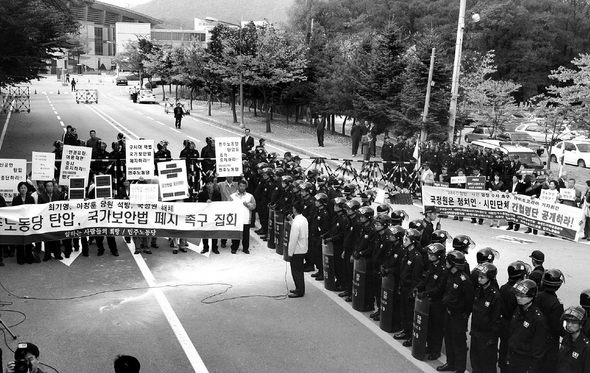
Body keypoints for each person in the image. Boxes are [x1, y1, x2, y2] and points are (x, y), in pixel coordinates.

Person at [437, 250, 474, 373]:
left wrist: (464, 315)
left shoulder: (465, 280)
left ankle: (459, 368)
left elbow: (469, 302)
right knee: (448, 339)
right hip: (448, 313)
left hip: (458, 316)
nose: (446, 262)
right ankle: (450, 363)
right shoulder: (449, 275)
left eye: (448, 261)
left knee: (459, 344)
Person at [506, 279, 547, 373]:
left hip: (525, 361)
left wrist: (531, 369)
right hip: (513, 358)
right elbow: (512, 334)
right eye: (517, 295)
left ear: (531, 297)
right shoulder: (518, 310)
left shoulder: (538, 319)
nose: (518, 298)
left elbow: (539, 348)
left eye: (522, 296)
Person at [558, 306, 590, 373]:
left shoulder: (586, 348)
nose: (569, 325)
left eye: (573, 322)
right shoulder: (565, 339)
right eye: (568, 321)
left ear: (581, 325)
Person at [287, 200, 308, 298]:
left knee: (296, 271)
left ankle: (299, 291)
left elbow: (293, 238)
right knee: (299, 271)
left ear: (294, 209)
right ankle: (299, 288)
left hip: (296, 249)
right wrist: (292, 221)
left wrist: (290, 252)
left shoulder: (296, 222)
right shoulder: (303, 219)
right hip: (303, 248)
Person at [12, 182, 36, 265]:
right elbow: (13, 211)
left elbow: (33, 210)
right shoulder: (15, 199)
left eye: (24, 188)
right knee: (20, 241)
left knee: (29, 241)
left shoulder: (31, 198)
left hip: (28, 223)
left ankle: (29, 257)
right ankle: (20, 258)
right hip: (19, 223)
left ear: (27, 189)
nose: (23, 189)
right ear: (19, 189)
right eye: (21, 188)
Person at [230, 179, 256, 254]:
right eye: (240, 186)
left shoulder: (250, 196)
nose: (242, 187)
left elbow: (254, 206)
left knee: (246, 235)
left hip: (246, 218)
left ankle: (245, 248)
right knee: (236, 234)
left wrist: (247, 205)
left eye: (243, 186)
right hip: (236, 219)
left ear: (246, 187)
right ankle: (234, 248)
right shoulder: (232, 196)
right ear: (238, 186)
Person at [197, 178, 221, 254]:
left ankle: (214, 247)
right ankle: (205, 248)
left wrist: (212, 203)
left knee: (214, 232)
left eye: (211, 183)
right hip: (205, 215)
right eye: (208, 183)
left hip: (214, 215)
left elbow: (220, 204)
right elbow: (199, 205)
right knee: (205, 232)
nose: (209, 185)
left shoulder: (217, 193)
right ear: (206, 185)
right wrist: (205, 202)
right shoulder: (202, 194)